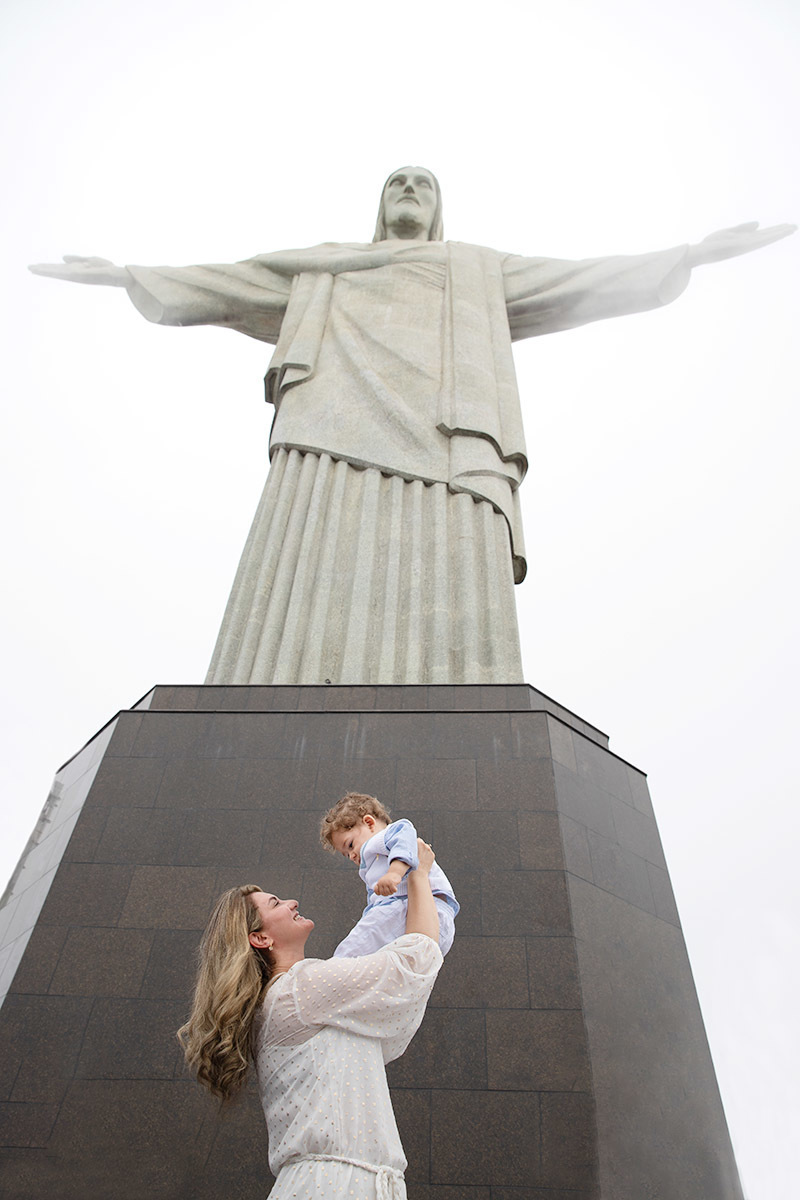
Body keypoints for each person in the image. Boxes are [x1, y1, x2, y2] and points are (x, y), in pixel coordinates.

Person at [29, 170, 795, 686]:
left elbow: (580, 280)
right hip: (326, 431)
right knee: (304, 564)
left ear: (438, 207)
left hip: (448, 437)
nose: (408, 190)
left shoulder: (475, 269)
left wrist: (689, 256)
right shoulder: (323, 265)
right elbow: (224, 282)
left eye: (422, 183)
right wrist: (126, 275)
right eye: (397, 180)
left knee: (453, 583)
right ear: (379, 202)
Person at [178, 839, 442, 1200]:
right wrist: (419, 877)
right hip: (334, 1186)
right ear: (260, 938)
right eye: (275, 903)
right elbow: (415, 963)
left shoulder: (289, 1001)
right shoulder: (299, 990)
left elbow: (388, 1026)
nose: (292, 902)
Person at [320, 791, 458, 957]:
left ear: (369, 823)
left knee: (355, 947)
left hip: (416, 908)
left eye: (350, 845)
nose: (351, 855)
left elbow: (406, 846)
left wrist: (394, 873)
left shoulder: (390, 834)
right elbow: (375, 901)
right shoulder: (370, 865)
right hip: (419, 921)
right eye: (346, 855)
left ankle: (336, 969)